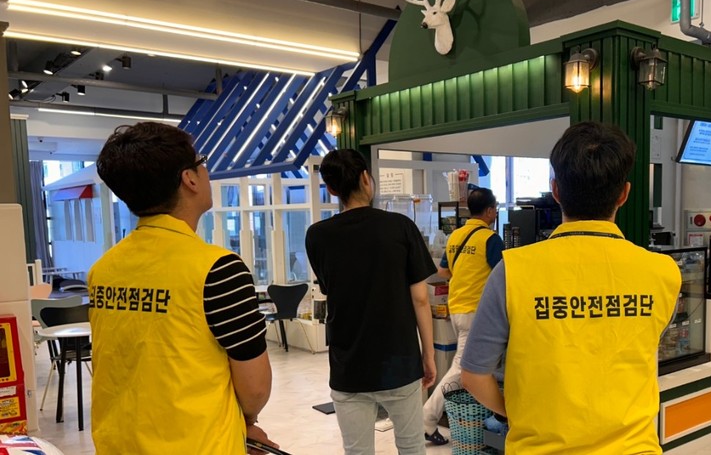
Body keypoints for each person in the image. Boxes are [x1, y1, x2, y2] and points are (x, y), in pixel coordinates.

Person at [461, 121, 682, 454]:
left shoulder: (513, 271)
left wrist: (518, 413)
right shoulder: (663, 272)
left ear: (556, 190)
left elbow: (473, 376)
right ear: (624, 194)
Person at [88, 122, 276, 454]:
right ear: (189, 178)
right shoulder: (218, 270)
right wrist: (245, 422)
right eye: (202, 162)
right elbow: (255, 390)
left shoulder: (102, 270)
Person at [305, 148, 437, 455]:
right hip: (399, 361)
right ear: (366, 179)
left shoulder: (317, 236)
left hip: (348, 365)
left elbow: (331, 289)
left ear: (332, 189)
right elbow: (420, 299)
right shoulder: (400, 226)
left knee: (357, 451)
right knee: (412, 447)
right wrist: (428, 355)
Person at [421, 187, 504, 445]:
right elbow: (505, 274)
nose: (496, 213)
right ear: (489, 211)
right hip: (477, 313)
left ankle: (485, 419)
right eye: (495, 209)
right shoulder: (490, 239)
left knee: (483, 366)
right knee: (462, 368)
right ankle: (426, 419)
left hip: (456, 308)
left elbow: (443, 272)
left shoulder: (456, 235)